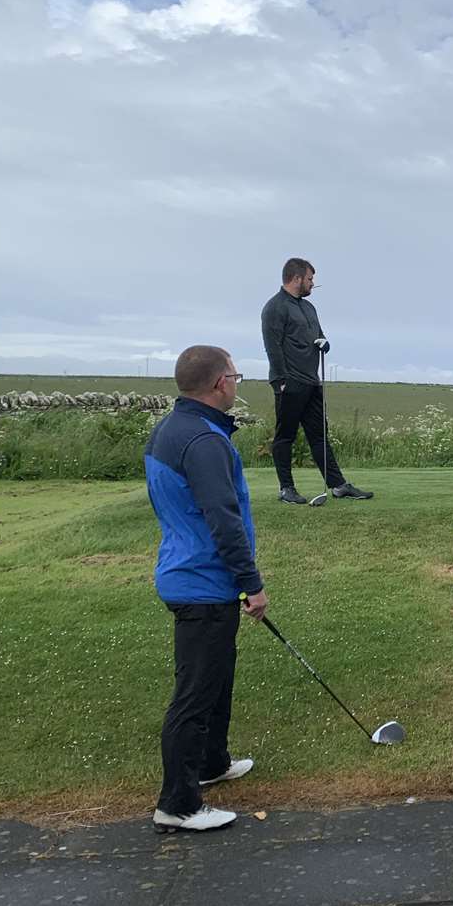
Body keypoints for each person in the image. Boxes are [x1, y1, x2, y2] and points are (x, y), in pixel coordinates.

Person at [145, 345, 268, 833]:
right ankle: (178, 803)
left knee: (217, 678)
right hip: (201, 581)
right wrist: (251, 584)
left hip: (194, 575)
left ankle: (212, 763)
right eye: (236, 375)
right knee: (195, 695)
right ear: (221, 383)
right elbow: (224, 520)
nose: (237, 382)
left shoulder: (173, 428)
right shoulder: (204, 440)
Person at [261, 257, 372, 504]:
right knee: (285, 436)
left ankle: (338, 485)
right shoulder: (275, 307)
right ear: (297, 278)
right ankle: (286, 489)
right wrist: (280, 380)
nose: (313, 284)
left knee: (320, 434)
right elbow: (273, 346)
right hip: (289, 382)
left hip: (311, 381)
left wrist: (325, 343)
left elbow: (319, 336)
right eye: (310, 279)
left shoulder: (309, 308)